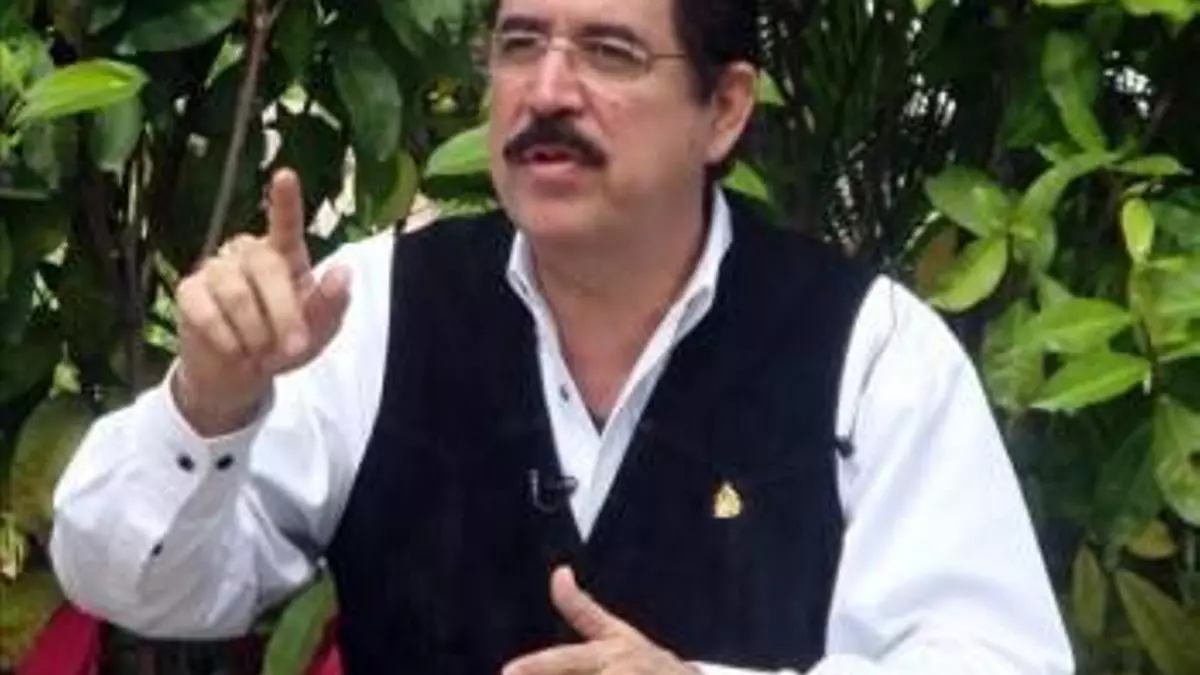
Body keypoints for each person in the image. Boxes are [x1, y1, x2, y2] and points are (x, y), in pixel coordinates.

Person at [50, 0, 1075, 673]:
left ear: (723, 110)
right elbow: (130, 582)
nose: (546, 91)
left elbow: (994, 656)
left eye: (610, 52)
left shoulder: (870, 350)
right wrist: (211, 404)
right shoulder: (371, 307)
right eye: (519, 44)